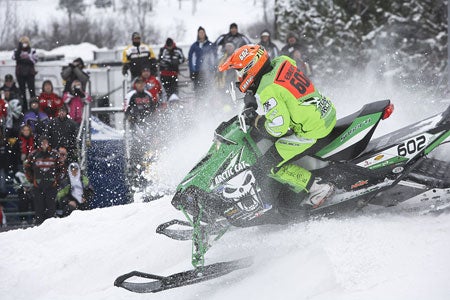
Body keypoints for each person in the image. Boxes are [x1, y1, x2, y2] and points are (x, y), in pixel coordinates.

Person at [218, 45, 336, 208]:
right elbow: (284, 91)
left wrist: (257, 121)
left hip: (311, 130)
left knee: (267, 164)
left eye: (240, 72)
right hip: (323, 111)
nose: (239, 77)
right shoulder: (282, 62)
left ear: (251, 68)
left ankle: (318, 189)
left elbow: (278, 127)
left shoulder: (267, 89)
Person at [24, 135, 60, 225]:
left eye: (46, 142)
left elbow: (61, 168)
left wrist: (56, 180)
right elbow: (27, 168)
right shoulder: (33, 154)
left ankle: (51, 229)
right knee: (39, 210)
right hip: (38, 187)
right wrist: (32, 180)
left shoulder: (55, 154)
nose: (44, 144)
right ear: (39, 144)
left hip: (51, 186)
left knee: (51, 210)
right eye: (42, 143)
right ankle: (39, 230)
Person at [188, 26, 218, 95]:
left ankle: (208, 104)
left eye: (202, 32)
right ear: (198, 34)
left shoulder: (210, 45)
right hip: (197, 72)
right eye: (200, 33)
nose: (201, 34)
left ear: (205, 33)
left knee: (208, 90)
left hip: (208, 72)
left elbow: (214, 57)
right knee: (197, 91)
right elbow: (191, 59)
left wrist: (214, 68)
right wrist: (192, 71)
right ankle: (198, 104)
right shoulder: (194, 46)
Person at [12, 36, 38, 110]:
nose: (24, 44)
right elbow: (14, 57)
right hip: (20, 74)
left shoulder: (32, 50)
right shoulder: (17, 50)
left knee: (32, 91)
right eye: (23, 42)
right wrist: (19, 49)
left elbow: (35, 59)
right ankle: (24, 109)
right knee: (22, 92)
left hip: (30, 73)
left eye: (26, 42)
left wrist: (23, 60)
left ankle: (34, 109)